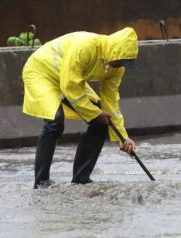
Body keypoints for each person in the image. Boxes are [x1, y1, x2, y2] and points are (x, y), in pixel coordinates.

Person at [22, 27, 138, 189]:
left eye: (125, 63)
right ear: (114, 52)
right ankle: (41, 182)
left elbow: (110, 102)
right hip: (42, 72)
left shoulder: (116, 67)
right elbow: (70, 87)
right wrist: (96, 113)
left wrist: (123, 137)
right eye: (120, 61)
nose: (121, 65)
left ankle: (81, 179)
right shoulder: (86, 47)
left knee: (103, 121)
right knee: (54, 122)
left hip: (68, 78)